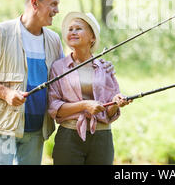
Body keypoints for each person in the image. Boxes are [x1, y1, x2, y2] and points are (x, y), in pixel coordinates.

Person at [0, 0, 114, 165]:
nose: (57, 10)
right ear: (35, 3)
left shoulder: (53, 40)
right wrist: (6, 93)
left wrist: (101, 66)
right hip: (5, 127)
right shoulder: (0, 33)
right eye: (53, 4)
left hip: (37, 130)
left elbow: (70, 71)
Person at [48, 11, 131, 165]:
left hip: (102, 137)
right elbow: (54, 107)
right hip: (69, 137)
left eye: (78, 28)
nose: (72, 32)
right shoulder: (58, 67)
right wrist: (85, 105)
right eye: (70, 29)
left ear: (92, 37)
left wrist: (116, 102)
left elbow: (109, 110)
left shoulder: (105, 68)